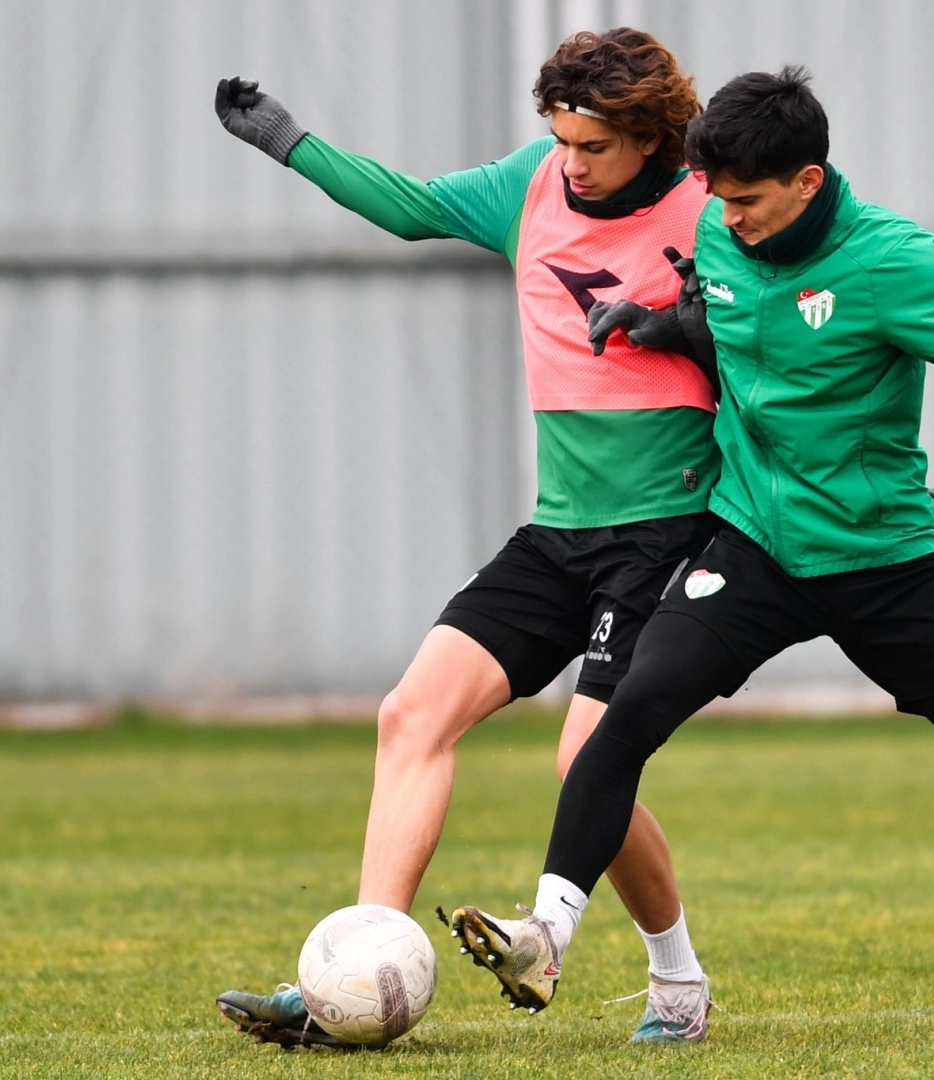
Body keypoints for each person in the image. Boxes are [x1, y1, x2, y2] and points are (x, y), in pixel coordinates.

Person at [448, 67, 934, 1042]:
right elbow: (738, 335)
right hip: (752, 549)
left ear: (807, 182)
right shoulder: (721, 233)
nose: (725, 220)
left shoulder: (889, 262)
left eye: (745, 200)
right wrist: (669, 329)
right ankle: (548, 933)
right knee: (623, 719)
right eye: (717, 199)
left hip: (883, 564)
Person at [210, 28, 720, 1046]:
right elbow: (413, 208)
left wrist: (688, 331)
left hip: (667, 532)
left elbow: (777, 341)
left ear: (651, 137)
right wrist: (290, 142)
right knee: (411, 715)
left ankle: (678, 987)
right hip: (558, 532)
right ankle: (357, 975)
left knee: (589, 759)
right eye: (561, 139)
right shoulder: (532, 183)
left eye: (593, 146)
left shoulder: (711, 207)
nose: (571, 163)